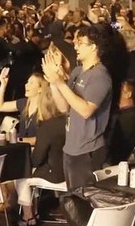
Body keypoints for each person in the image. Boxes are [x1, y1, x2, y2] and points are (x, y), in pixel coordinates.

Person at [43, 24, 113, 189]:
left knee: (84, 201)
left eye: (80, 43)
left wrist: (60, 83)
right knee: (72, 200)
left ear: (94, 47)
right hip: (71, 147)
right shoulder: (77, 71)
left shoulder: (100, 76)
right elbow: (63, 107)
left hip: (88, 150)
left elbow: (86, 110)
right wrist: (53, 81)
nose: (75, 46)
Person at [0, 68, 67, 226]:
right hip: (26, 151)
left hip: (38, 154)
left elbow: (42, 140)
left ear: (41, 88)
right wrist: (3, 84)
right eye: (27, 81)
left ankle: (27, 214)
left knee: (22, 171)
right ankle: (21, 207)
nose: (26, 85)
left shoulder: (46, 113)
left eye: (31, 83)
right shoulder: (24, 103)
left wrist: (19, 139)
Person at [107, 80, 135, 164]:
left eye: (120, 90)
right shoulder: (120, 113)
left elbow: (123, 145)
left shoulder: (129, 117)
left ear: (128, 94)